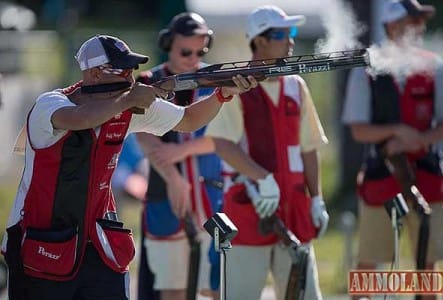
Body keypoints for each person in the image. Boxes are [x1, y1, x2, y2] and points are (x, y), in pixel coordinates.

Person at [0, 34, 257, 300]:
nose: (130, 76)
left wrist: (222, 93)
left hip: (99, 243)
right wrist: (127, 101)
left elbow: (190, 120)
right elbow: (79, 119)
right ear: (95, 74)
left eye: (131, 68)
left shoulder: (126, 105)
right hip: (41, 243)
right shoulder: (51, 104)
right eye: (121, 69)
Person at [204, 5, 329, 300]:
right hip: (249, 210)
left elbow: (309, 147)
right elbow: (222, 144)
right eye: (283, 34)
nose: (291, 41)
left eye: (292, 33)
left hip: (294, 209)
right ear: (259, 40)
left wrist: (317, 199)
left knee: (305, 295)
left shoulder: (296, 86)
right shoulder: (236, 85)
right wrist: (263, 178)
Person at [342, 1, 443, 299]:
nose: (419, 26)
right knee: (368, 268)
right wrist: (396, 132)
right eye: (411, 20)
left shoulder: (434, 66)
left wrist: (418, 139)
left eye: (418, 20)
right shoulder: (368, 68)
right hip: (382, 177)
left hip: (427, 176)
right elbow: (358, 129)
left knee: (428, 269)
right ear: (391, 26)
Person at [135, 12, 225, 300]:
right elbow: (145, 137)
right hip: (165, 195)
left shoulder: (215, 80)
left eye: (201, 51)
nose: (194, 58)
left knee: (214, 287)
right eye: (186, 51)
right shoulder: (149, 81)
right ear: (168, 44)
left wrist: (182, 150)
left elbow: (226, 140)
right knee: (171, 289)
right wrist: (173, 177)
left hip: (211, 195)